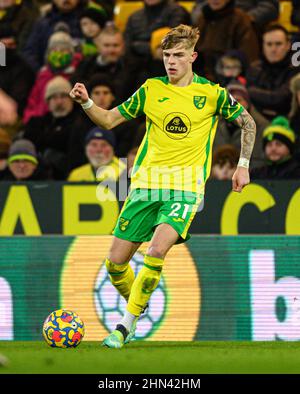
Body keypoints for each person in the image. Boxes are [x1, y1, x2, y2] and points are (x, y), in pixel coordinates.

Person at [70, 24, 256, 348]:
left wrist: (242, 166)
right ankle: (138, 305)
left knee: (156, 249)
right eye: (167, 55)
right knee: (115, 265)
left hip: (185, 188)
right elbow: (110, 119)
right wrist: (87, 102)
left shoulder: (211, 94)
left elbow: (248, 122)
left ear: (193, 57)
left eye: (178, 55)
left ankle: (124, 327)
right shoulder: (151, 89)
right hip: (145, 187)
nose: (171, 61)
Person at [24, 76, 93, 179]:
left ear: (72, 99)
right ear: (48, 102)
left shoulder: (81, 121)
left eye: (63, 96)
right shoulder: (37, 123)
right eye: (54, 97)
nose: (59, 102)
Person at [193, 0, 259, 81]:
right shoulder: (202, 19)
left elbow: (248, 54)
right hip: (203, 77)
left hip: (230, 78)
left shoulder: (241, 19)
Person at [247, 24, 297, 121]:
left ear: (288, 45)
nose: (273, 49)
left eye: (278, 44)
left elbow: (282, 99)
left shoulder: (295, 70)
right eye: (269, 44)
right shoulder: (254, 68)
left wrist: (252, 92)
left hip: (287, 123)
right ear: (263, 46)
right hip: (255, 122)